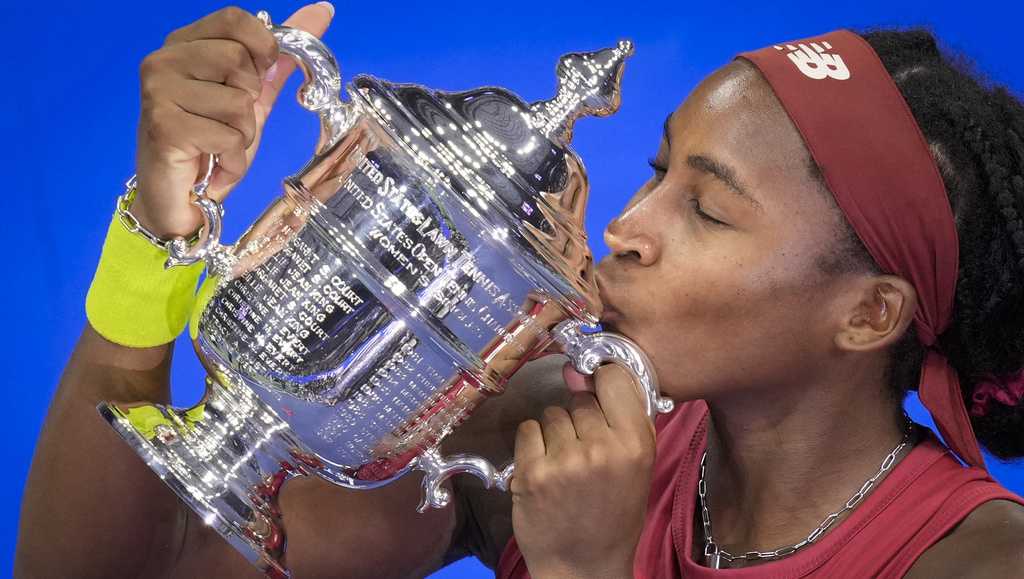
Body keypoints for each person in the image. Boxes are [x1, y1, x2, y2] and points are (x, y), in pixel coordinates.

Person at [15, 3, 1024, 578]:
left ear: (867, 313)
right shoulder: (531, 425)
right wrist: (159, 239)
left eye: (708, 212)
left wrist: (585, 573)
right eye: (655, 171)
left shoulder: (976, 562)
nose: (625, 231)